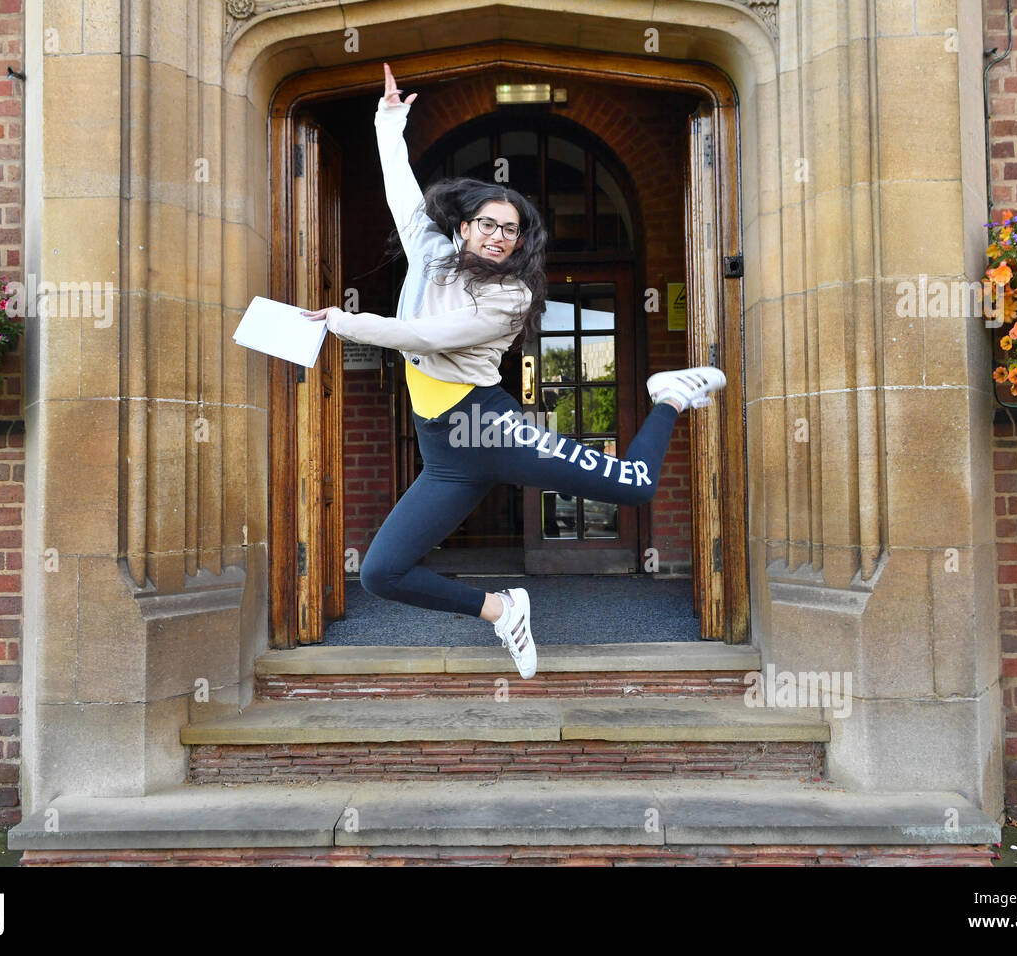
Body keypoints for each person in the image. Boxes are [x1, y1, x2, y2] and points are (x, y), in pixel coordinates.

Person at [302, 63, 726, 679]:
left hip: (486, 429)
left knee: (634, 484)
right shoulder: (432, 252)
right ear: (466, 226)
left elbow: (425, 336)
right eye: (490, 225)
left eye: (513, 230)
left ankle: (668, 396)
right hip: (445, 451)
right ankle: (501, 610)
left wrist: (341, 323)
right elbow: (402, 192)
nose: (501, 237)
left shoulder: (512, 297)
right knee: (381, 573)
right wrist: (389, 122)